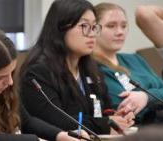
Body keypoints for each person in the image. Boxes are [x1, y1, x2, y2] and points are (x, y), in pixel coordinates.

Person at [0, 27, 88, 141]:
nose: (10, 82)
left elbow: (26, 121)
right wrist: (35, 140)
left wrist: (61, 135)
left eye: (11, 73)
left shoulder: (3, 89)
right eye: (0, 77)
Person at [19, 0, 134, 135]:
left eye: (94, 27)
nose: (91, 34)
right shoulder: (37, 72)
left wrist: (117, 116)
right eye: (84, 25)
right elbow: (56, 121)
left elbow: (104, 109)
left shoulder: (91, 69)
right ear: (61, 28)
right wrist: (105, 123)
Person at [93, 2, 163, 123]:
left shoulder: (135, 59)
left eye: (124, 26)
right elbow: (124, 107)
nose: (120, 32)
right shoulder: (91, 67)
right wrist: (153, 96)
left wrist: (145, 97)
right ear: (94, 29)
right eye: (111, 26)